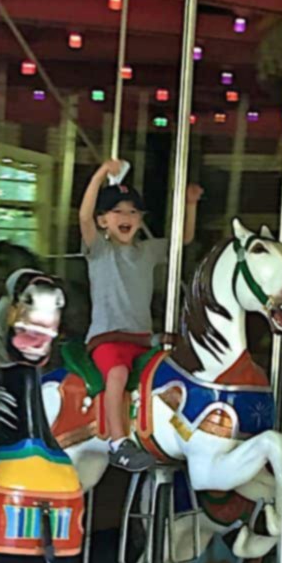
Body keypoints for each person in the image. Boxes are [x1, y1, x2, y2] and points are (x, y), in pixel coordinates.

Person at [79, 159, 202, 471]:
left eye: (133, 213)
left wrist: (189, 205)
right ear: (103, 221)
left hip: (143, 339)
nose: (126, 217)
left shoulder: (147, 251)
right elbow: (83, 216)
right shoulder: (99, 251)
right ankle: (119, 443)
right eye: (117, 212)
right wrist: (99, 175)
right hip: (108, 339)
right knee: (117, 375)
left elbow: (182, 241)